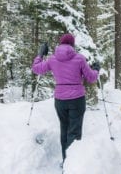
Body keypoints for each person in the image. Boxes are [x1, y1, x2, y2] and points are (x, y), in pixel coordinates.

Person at [31, 33, 100, 164]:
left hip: (60, 100)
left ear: (60, 44)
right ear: (72, 45)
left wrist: (40, 55)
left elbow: (36, 69)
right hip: (77, 99)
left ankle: (66, 162)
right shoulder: (79, 59)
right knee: (74, 131)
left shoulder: (52, 59)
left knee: (65, 128)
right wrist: (96, 70)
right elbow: (91, 77)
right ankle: (72, 165)